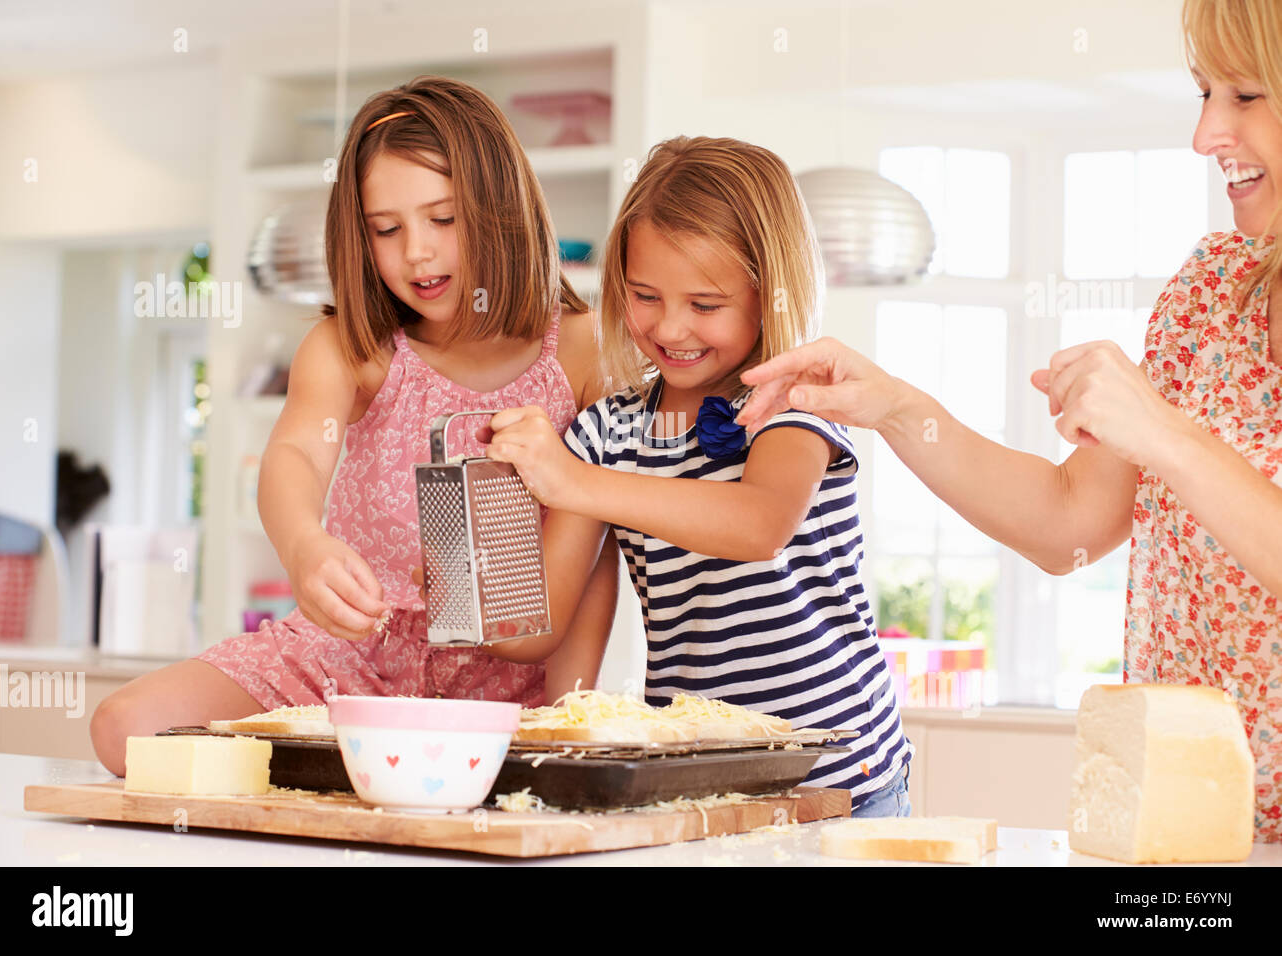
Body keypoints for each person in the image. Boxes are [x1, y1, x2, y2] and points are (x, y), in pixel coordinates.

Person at [736, 0, 1282, 841]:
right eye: (1205, 92)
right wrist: (895, 406)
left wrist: (1166, 434)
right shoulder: (1210, 294)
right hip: (1195, 830)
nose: (1207, 133)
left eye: (1245, 95)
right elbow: (1070, 522)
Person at [90, 76, 620, 778]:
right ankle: (357, 773)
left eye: (444, 219)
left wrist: (565, 721)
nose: (417, 254)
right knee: (123, 728)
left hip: (511, 682)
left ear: (501, 208)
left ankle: (361, 775)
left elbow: (598, 553)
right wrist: (305, 546)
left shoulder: (583, 351)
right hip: (347, 656)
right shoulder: (351, 348)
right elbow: (295, 459)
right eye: (386, 229)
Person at [481, 135, 914, 817]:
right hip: (696, 782)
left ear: (769, 295)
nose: (671, 327)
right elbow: (531, 634)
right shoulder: (604, 433)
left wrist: (571, 481)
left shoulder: (792, 403)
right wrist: (467, 569)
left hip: (841, 779)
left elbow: (758, 525)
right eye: (645, 296)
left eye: (705, 305)